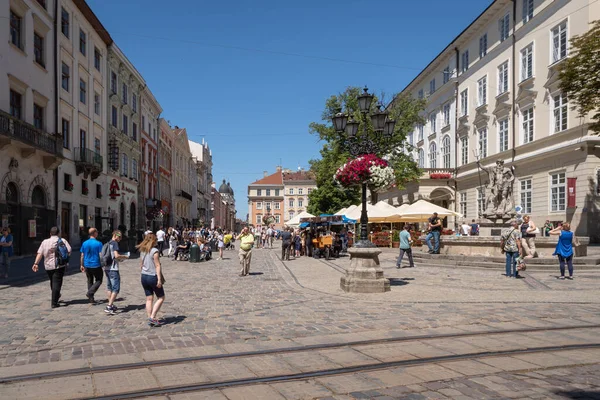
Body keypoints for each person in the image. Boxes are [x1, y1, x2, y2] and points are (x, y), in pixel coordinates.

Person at [32, 227, 72, 308]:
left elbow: (40, 253)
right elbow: (69, 250)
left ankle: (56, 295)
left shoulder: (45, 242)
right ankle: (54, 302)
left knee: (52, 281)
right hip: (59, 265)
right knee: (57, 283)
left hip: (48, 265)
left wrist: (36, 263)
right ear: (58, 233)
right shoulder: (62, 240)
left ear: (50, 233)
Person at [136, 233, 165, 326]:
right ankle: (152, 317)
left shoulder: (142, 250)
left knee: (149, 298)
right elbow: (157, 265)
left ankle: (150, 318)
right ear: (153, 240)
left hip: (144, 276)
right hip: (152, 276)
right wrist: (159, 279)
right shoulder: (155, 251)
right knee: (161, 297)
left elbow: (141, 265)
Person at [104, 230, 129, 314]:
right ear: (116, 236)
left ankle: (110, 304)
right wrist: (125, 256)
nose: (120, 239)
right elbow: (116, 255)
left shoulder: (108, 242)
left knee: (109, 287)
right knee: (116, 288)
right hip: (113, 268)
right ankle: (109, 306)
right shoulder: (114, 243)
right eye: (120, 237)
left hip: (107, 268)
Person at [80, 228, 103, 304]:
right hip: (96, 264)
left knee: (90, 280)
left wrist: (82, 264)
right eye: (97, 232)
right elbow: (100, 255)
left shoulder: (84, 243)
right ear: (94, 233)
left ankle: (91, 298)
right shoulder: (98, 243)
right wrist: (102, 263)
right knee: (99, 280)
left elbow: (82, 255)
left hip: (87, 264)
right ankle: (90, 293)